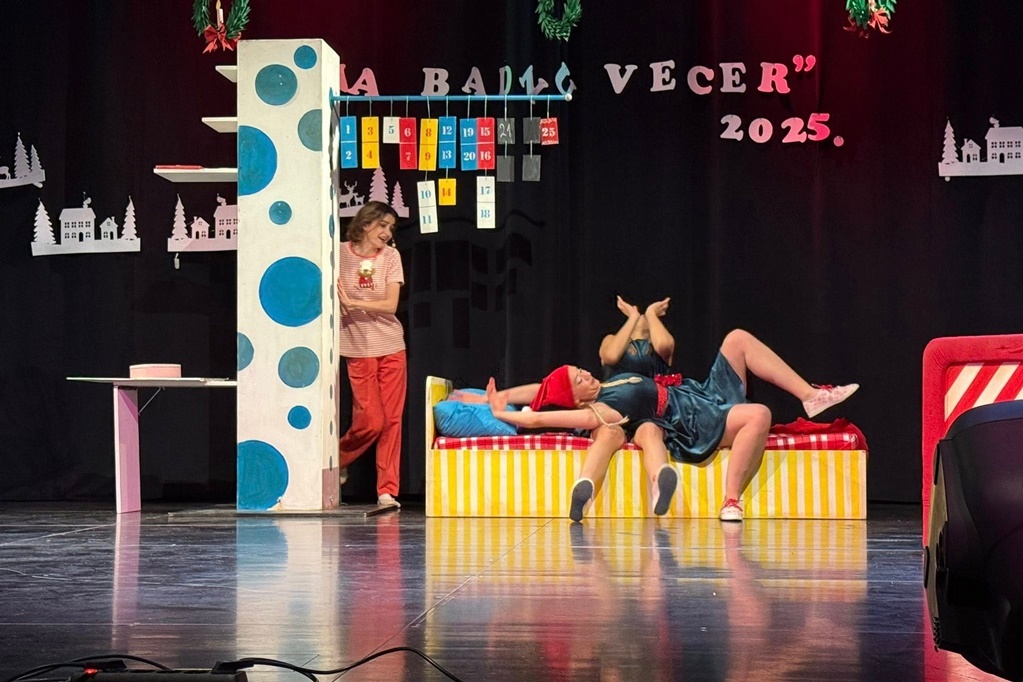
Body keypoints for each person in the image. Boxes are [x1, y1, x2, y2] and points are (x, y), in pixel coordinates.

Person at [485, 329, 858, 523]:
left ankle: (810, 395)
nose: (585, 373)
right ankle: (731, 501)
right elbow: (539, 414)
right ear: (577, 398)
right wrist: (502, 413)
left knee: (737, 338)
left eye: (580, 370)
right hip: (693, 421)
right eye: (578, 379)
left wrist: (501, 393)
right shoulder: (602, 410)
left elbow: (543, 388)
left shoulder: (610, 382)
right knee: (759, 414)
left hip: (701, 394)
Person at [336, 201, 405, 508]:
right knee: (371, 420)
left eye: (391, 228)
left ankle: (387, 491)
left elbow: (390, 305)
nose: (388, 233)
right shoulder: (339, 253)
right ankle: (338, 458)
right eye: (383, 225)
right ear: (365, 224)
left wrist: (354, 304)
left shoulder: (391, 257)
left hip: (391, 345)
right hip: (358, 347)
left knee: (391, 421)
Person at [600, 296, 674, 379]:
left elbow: (663, 346)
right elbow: (611, 356)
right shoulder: (610, 339)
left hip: (652, 387)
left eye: (645, 315)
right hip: (619, 387)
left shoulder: (662, 340)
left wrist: (651, 313)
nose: (642, 316)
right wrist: (633, 316)